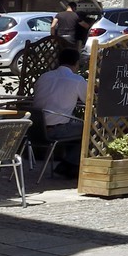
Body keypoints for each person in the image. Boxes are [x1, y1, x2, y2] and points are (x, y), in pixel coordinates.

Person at [32, 46, 86, 177]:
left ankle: (70, 165)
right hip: (56, 130)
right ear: (76, 63)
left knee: (74, 126)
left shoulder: (44, 77)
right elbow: (89, 101)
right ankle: (69, 164)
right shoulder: (77, 80)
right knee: (91, 130)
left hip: (35, 130)